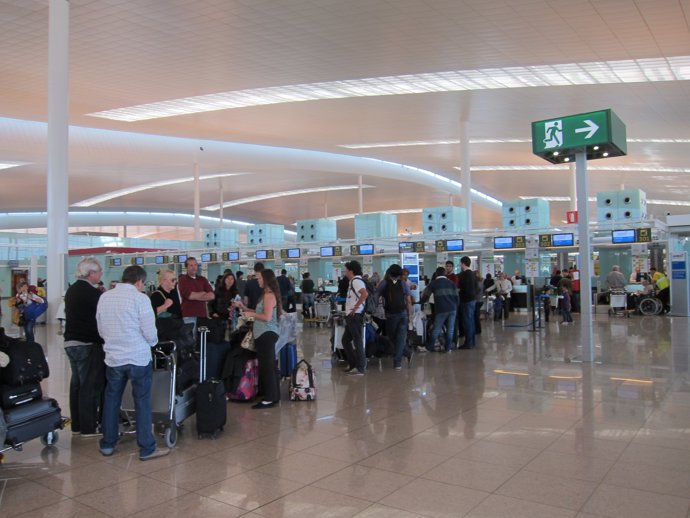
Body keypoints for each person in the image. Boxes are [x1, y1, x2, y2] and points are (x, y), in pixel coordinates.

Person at [97, 265, 169, 460]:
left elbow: (101, 328)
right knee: (142, 401)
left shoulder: (104, 297)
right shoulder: (140, 299)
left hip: (114, 358)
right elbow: (149, 331)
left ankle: (108, 444)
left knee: (112, 400)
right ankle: (146, 448)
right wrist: (153, 343)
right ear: (139, 281)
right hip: (137, 357)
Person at [63, 257, 105, 438]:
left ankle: (77, 425)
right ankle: (88, 427)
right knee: (89, 385)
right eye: (99, 272)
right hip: (87, 343)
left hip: (71, 342)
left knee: (77, 385)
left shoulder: (72, 290)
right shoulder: (91, 293)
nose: (100, 275)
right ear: (91, 273)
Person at [232, 269, 281, 408]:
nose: (257, 281)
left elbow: (266, 317)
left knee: (267, 366)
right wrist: (244, 308)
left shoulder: (269, 296)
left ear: (266, 279)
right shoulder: (265, 294)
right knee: (269, 365)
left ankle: (270, 398)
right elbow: (259, 311)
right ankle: (273, 394)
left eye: (259, 278)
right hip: (264, 334)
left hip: (267, 333)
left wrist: (249, 316)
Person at [376, 264, 413, 370]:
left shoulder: (383, 283)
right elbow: (409, 301)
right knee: (400, 338)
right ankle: (407, 352)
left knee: (393, 337)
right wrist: (409, 315)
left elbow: (376, 295)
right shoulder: (403, 284)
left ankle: (397, 362)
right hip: (403, 314)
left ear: (389, 272)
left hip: (391, 314)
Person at [420, 266, 458, 352]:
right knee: (450, 329)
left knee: (436, 328)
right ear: (445, 273)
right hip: (453, 308)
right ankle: (448, 348)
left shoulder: (434, 283)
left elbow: (425, 295)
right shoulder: (451, 283)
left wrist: (420, 302)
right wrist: (456, 306)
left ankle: (430, 347)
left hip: (441, 309)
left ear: (436, 274)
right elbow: (456, 296)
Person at [341, 260, 368, 375]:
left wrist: (356, 307)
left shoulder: (356, 281)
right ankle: (353, 364)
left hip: (355, 316)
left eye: (346, 270)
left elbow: (365, 294)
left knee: (357, 341)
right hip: (351, 315)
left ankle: (360, 367)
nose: (345, 272)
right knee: (345, 340)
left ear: (351, 271)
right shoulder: (353, 281)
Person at [177, 257, 214, 334]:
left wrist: (196, 295)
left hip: (202, 315)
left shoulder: (202, 279)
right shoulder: (183, 280)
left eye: (195, 265)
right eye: (191, 265)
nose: (194, 267)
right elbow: (189, 296)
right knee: (190, 340)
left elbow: (212, 296)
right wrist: (203, 293)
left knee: (201, 340)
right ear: (186, 267)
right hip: (189, 315)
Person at [458, 256, 477, 349]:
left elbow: (464, 288)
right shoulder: (472, 274)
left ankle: (468, 343)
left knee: (467, 322)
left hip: (466, 300)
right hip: (472, 300)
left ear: (463, 263)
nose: (460, 265)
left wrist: (459, 292)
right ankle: (472, 341)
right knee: (471, 321)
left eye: (460, 263)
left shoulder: (465, 274)